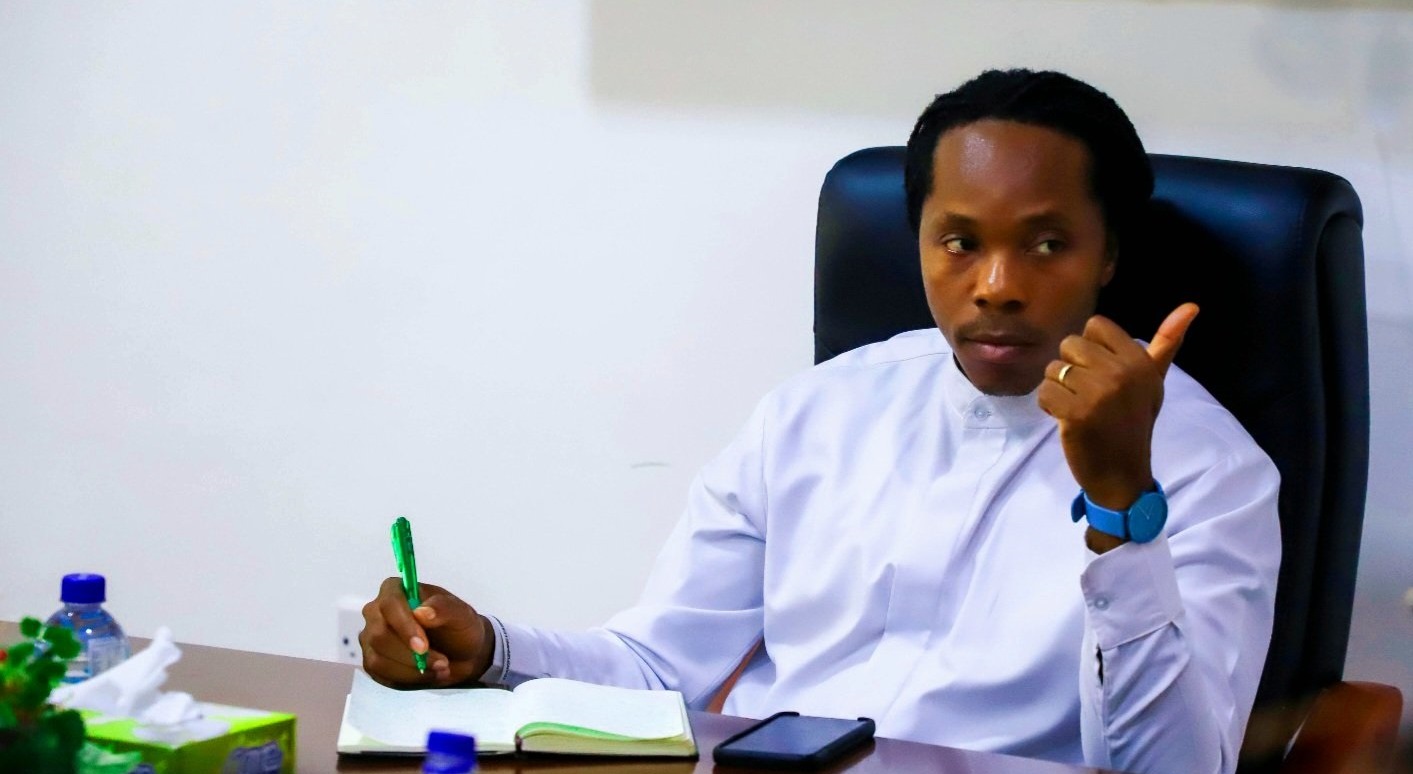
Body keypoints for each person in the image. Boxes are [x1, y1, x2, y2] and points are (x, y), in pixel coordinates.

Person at [360, 69, 1280, 774]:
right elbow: (658, 666)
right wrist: (488, 650)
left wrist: (1120, 512)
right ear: (917, 242)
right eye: (960, 243)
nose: (997, 286)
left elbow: (1170, 769)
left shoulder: (1209, 467)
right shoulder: (815, 413)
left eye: (1045, 244)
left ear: (1108, 252)